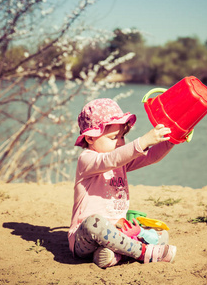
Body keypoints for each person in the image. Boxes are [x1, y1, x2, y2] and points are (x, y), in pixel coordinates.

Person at [68, 98, 178, 268]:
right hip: (86, 239)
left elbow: (150, 156)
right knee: (94, 222)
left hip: (117, 233)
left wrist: (171, 140)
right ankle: (142, 252)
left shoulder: (120, 162)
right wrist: (143, 141)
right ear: (90, 138)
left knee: (160, 234)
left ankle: (113, 256)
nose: (120, 142)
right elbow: (111, 159)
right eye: (113, 137)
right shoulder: (87, 160)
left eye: (122, 137)